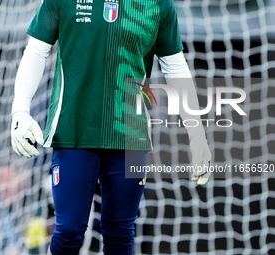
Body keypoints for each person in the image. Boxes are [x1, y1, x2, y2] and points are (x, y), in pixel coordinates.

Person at [11, 0, 211, 254]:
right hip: (73, 129)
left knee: (120, 233)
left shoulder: (158, 4)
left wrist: (196, 133)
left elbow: (175, 66)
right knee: (69, 230)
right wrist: (20, 110)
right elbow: (37, 50)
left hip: (130, 133)